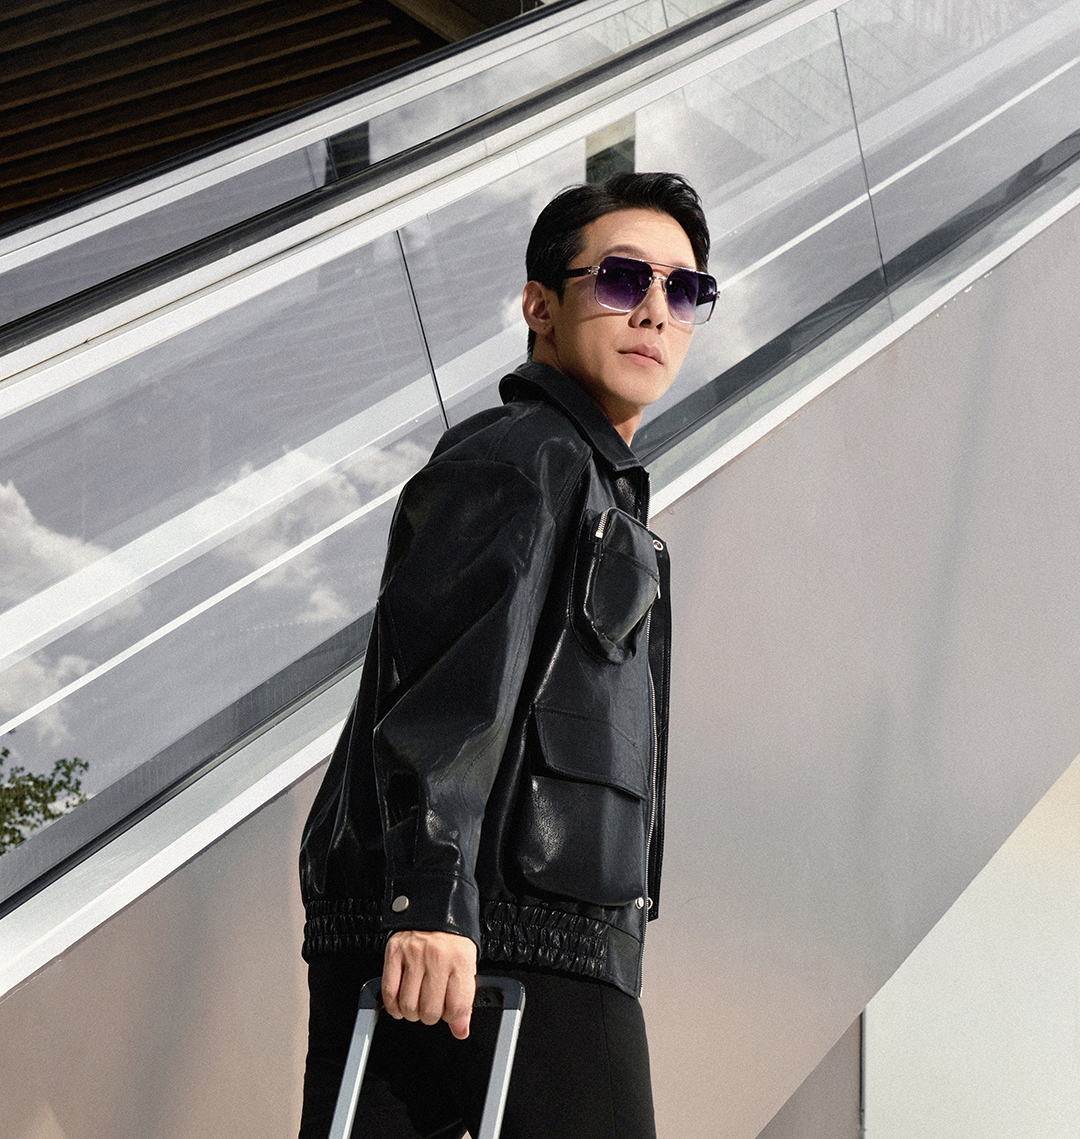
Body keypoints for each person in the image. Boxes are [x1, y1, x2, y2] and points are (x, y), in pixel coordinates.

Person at [298, 171, 714, 1139]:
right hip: (489, 938)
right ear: (539, 305)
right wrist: (431, 896)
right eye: (623, 279)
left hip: (542, 934)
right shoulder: (522, 455)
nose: (656, 310)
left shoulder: (596, 484)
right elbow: (450, 685)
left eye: (686, 290)